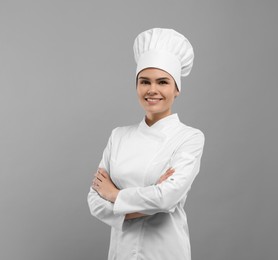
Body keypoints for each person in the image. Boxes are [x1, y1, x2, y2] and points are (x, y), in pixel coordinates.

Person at [87, 28, 205, 260]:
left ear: (176, 89)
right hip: (120, 253)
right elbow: (94, 202)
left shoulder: (189, 137)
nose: (152, 90)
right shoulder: (118, 136)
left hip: (166, 253)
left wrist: (114, 194)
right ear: (137, 86)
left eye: (162, 82)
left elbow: (167, 197)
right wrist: (151, 199)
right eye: (145, 82)